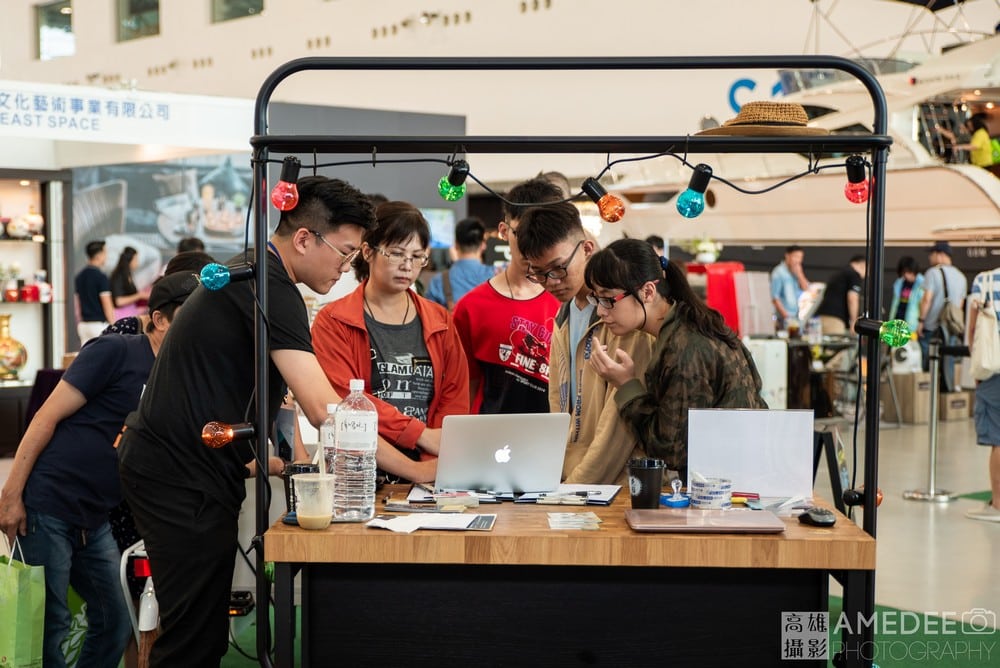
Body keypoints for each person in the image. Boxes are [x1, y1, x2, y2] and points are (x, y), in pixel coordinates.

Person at [117, 176, 375, 667]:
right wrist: (410, 463)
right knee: (193, 639)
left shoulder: (258, 275)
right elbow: (327, 411)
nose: (346, 269)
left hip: (189, 468)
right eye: (344, 253)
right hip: (179, 474)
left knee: (201, 631)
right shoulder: (268, 285)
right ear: (304, 238)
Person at [0, 271, 199, 668]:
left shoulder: (179, 375)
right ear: (160, 319)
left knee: (115, 619)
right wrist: (10, 495)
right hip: (49, 505)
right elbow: (44, 419)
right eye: (190, 316)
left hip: (97, 517)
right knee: (50, 623)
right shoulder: (115, 351)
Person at [586, 238, 768, 482]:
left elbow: (670, 450)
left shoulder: (684, 348)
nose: (600, 310)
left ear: (648, 291)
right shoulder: (693, 324)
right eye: (596, 299)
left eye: (608, 299)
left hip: (726, 495)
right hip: (735, 484)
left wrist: (626, 386)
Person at [311, 201, 470, 481]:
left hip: (430, 472)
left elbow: (453, 399)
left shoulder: (440, 321)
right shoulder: (335, 322)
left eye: (417, 256)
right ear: (368, 251)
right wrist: (419, 436)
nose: (407, 266)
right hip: (359, 474)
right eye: (396, 254)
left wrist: (432, 462)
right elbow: (348, 403)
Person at [515, 201, 653, 484]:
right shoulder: (563, 315)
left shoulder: (625, 316)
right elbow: (558, 402)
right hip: (572, 481)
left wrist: (573, 489)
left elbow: (618, 429)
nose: (550, 282)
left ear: (587, 249)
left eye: (558, 268)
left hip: (618, 485)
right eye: (538, 273)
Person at [452, 178, 562, 414]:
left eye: (543, 235)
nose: (532, 245)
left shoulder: (568, 302)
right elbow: (464, 389)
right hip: (488, 440)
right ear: (504, 231)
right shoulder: (471, 308)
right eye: (523, 233)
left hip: (553, 441)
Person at [966, 265, 1000, 522]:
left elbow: (973, 328)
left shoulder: (985, 279)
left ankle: (998, 503)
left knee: (998, 437)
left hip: (993, 366)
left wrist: (974, 363)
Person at [917, 240, 967, 392]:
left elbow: (927, 299)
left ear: (940, 255)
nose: (930, 258)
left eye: (932, 254)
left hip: (932, 325)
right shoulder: (961, 276)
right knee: (948, 361)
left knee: (928, 362)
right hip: (950, 327)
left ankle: (926, 397)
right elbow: (960, 305)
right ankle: (946, 396)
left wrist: (921, 321)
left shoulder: (933, 273)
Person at [425, 217, 495, 310]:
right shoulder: (497, 276)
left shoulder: (438, 282)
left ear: (456, 245)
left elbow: (430, 318)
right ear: (483, 245)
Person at [74, 240, 115, 345]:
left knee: (87, 357)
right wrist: (114, 326)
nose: (106, 256)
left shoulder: (80, 276)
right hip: (98, 326)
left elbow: (78, 303)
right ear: (99, 255)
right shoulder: (101, 277)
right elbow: (107, 304)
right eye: (105, 253)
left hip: (83, 326)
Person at [814, 255, 866, 335]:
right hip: (835, 320)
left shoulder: (840, 274)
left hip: (821, 318)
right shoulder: (854, 274)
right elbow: (852, 298)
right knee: (835, 346)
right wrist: (854, 322)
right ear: (863, 265)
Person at [770, 245, 809, 329]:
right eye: (795, 257)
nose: (798, 260)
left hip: (796, 315)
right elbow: (775, 298)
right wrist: (787, 317)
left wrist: (800, 274)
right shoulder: (779, 272)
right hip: (784, 318)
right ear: (787, 256)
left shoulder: (797, 272)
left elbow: (806, 288)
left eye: (800, 257)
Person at [109, 246, 151, 321]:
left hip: (131, 314)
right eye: (136, 259)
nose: (137, 262)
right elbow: (119, 301)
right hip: (121, 316)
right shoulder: (118, 276)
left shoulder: (128, 275)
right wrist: (139, 295)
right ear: (129, 260)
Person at [889, 256, 924, 332]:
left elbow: (922, 304)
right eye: (903, 272)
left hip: (912, 324)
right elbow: (895, 305)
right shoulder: (899, 283)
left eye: (909, 272)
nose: (906, 275)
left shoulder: (921, 284)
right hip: (897, 321)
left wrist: (921, 323)